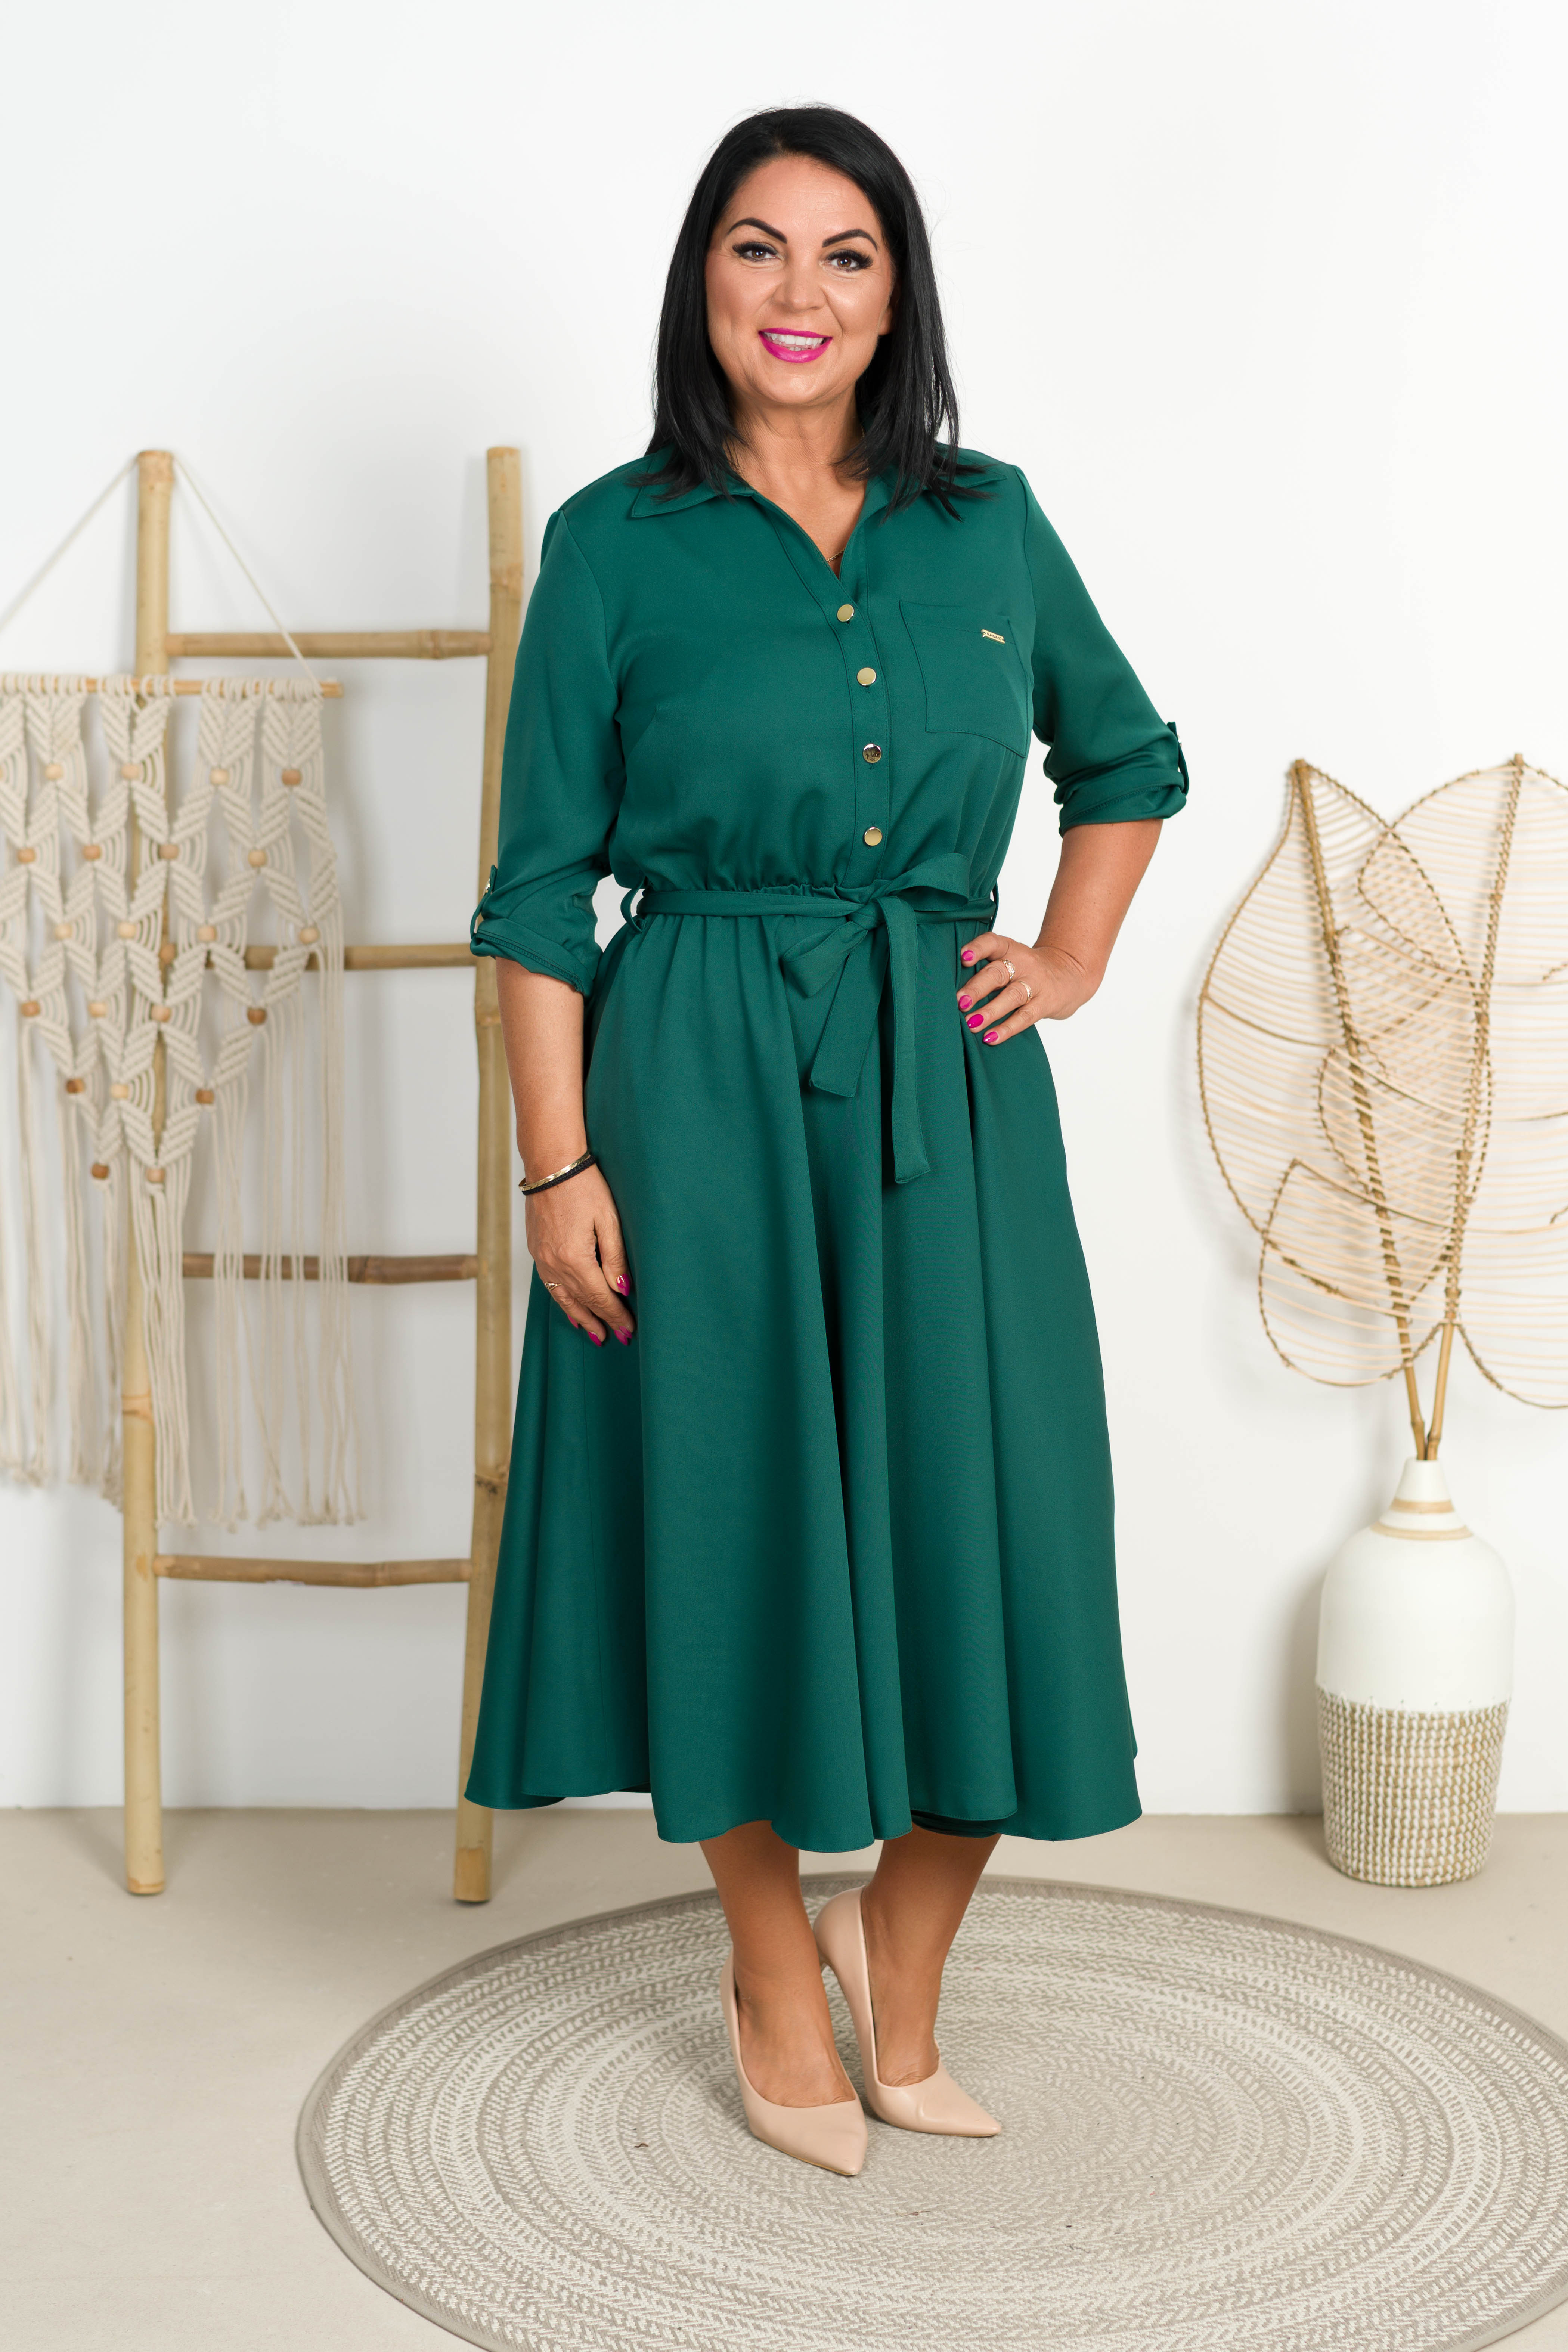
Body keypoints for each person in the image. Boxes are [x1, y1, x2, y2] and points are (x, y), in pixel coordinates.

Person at [465, 105, 1187, 2178]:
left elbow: (1127, 757)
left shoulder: (990, 523)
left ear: (896, 295)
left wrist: (1069, 951)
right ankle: (775, 1971)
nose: (799, 293)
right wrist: (556, 1167)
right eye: (757, 248)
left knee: (1003, 1512)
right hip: (688, 1081)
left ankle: (906, 1947)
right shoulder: (615, 544)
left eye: (845, 254)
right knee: (729, 1515)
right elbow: (540, 891)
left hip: (943, 1078)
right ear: (702, 280)